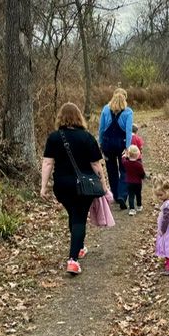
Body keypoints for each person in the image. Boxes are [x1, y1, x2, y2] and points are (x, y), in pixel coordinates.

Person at [40, 102, 107, 275]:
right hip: (83, 186)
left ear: (60, 117)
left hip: (62, 186)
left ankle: (80, 247)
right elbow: (96, 165)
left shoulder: (54, 137)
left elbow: (48, 163)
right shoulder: (87, 137)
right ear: (79, 117)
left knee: (73, 214)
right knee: (79, 218)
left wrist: (43, 187)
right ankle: (73, 260)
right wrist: (104, 186)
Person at [99, 88, 133, 209]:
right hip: (121, 144)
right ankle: (122, 195)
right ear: (125, 98)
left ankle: (115, 193)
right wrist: (128, 147)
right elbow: (129, 131)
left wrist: (101, 144)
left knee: (111, 170)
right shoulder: (128, 112)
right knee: (124, 170)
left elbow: (101, 128)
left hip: (108, 144)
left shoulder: (105, 109)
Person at [122, 145, 146, 216]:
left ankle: (132, 209)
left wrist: (124, 155)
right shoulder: (139, 165)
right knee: (138, 194)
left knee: (131, 195)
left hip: (129, 182)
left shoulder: (126, 163)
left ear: (129, 154)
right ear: (138, 155)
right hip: (138, 182)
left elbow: (122, 159)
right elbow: (142, 173)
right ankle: (139, 206)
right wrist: (143, 177)